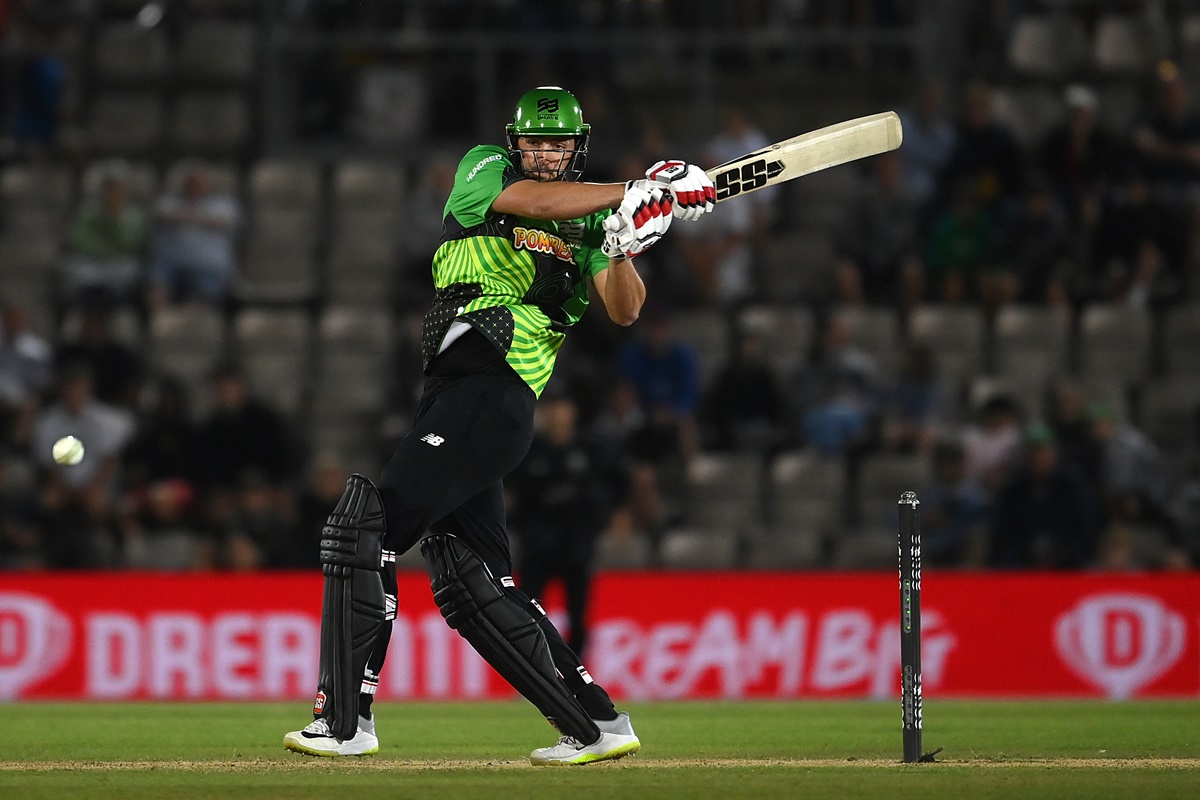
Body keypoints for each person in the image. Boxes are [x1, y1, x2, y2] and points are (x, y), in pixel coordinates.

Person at [283, 86, 715, 764]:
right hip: (457, 393)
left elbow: (626, 311)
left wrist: (625, 240)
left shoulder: (591, 225)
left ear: (578, 148)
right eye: (537, 143)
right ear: (516, 145)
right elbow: (538, 203)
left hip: (495, 391)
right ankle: (597, 725)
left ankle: (344, 722)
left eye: (560, 145)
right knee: (471, 580)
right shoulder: (484, 169)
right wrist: (631, 188)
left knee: (366, 527)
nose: (547, 155)